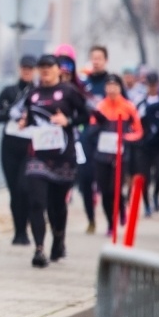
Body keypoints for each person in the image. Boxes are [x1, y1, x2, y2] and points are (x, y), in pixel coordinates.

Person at [20, 55, 89, 268]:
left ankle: (58, 240)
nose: (45, 70)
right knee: (36, 201)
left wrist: (68, 120)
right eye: (42, 67)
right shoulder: (33, 93)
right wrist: (24, 122)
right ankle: (39, 249)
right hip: (38, 155)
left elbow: (86, 116)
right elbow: (29, 116)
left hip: (63, 157)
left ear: (58, 70)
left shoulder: (69, 92)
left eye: (49, 67)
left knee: (57, 205)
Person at [89, 74, 143, 236]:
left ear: (120, 88)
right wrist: (99, 131)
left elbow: (138, 131)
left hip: (120, 155)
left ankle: (121, 207)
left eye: (115, 86)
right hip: (102, 154)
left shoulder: (128, 107)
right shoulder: (99, 107)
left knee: (115, 189)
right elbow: (91, 129)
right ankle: (110, 223)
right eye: (109, 86)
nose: (112, 89)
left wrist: (125, 138)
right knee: (105, 191)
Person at [0, 54, 36, 245]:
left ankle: (27, 227)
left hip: (31, 146)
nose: (27, 71)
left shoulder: (38, 93)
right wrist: (10, 113)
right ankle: (19, 231)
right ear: (19, 69)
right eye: (24, 68)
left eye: (30, 68)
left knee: (24, 188)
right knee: (14, 191)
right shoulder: (9, 91)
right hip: (10, 145)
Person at [77, 44, 111, 233]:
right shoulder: (83, 84)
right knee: (85, 178)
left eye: (99, 58)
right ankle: (91, 219)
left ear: (106, 60)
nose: (96, 62)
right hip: (86, 135)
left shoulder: (111, 83)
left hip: (106, 137)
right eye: (93, 58)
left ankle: (111, 220)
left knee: (105, 182)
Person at [136, 71, 159, 217]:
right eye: (149, 85)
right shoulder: (141, 103)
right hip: (144, 146)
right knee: (144, 177)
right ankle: (146, 204)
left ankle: (156, 194)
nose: (152, 87)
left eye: (154, 85)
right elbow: (135, 122)